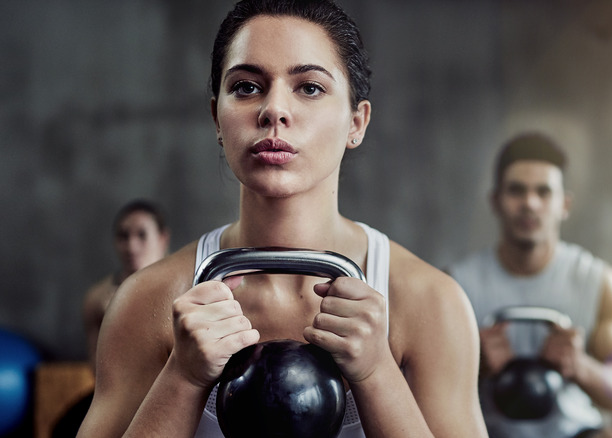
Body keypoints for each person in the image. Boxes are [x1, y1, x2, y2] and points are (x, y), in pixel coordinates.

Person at [77, 1, 487, 437]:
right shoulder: (148, 302)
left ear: (356, 122)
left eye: (308, 87)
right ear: (217, 117)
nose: (274, 110)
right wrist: (183, 376)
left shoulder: (431, 303)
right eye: (247, 87)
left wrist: (377, 374)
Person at [447, 133, 612, 438]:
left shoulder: (600, 282)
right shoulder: (455, 285)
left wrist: (579, 365)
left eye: (543, 192)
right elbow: (424, 391)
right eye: (516, 191)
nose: (530, 203)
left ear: (564, 204)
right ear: (495, 201)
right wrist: (475, 367)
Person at [52, 199, 170, 437]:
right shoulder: (97, 298)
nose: (132, 246)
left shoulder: (180, 288)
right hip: (116, 396)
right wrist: (115, 324)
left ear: (162, 239)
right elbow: (98, 370)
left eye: (141, 235)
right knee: (64, 428)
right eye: (123, 236)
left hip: (166, 392)